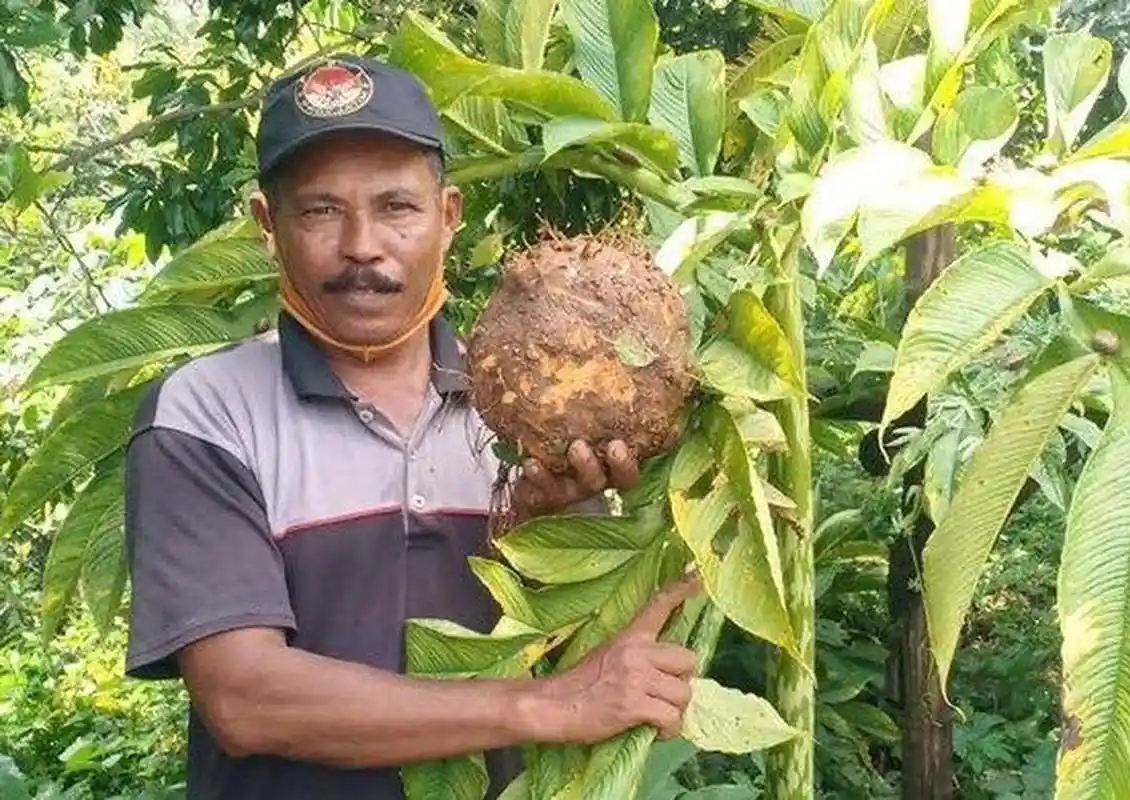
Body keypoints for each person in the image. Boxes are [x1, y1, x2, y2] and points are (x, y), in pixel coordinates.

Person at [121, 54, 701, 800]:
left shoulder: (532, 405)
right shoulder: (204, 413)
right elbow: (244, 698)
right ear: (268, 224)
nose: (363, 243)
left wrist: (556, 529)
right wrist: (552, 705)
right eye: (321, 209)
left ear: (448, 216)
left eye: (397, 205)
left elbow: (552, 634)